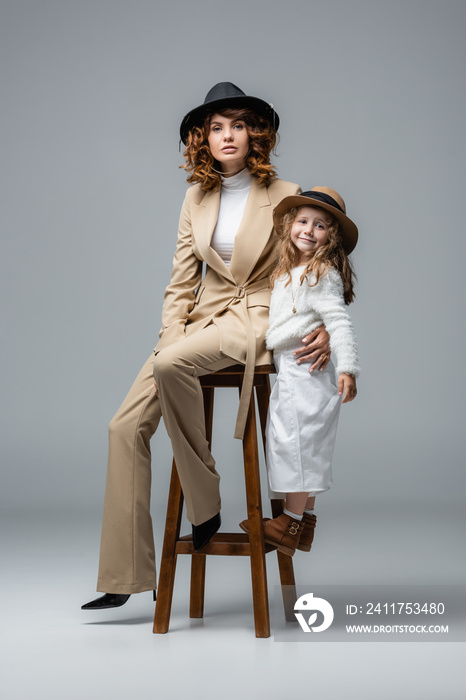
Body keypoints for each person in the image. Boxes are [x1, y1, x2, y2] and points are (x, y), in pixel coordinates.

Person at [82, 84, 332, 611]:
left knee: (173, 365)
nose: (227, 135)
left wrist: (325, 324)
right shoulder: (196, 197)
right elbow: (180, 282)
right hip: (199, 324)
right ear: (203, 139)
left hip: (257, 318)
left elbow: (315, 266)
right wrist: (170, 333)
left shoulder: (287, 194)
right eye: (216, 127)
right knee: (123, 427)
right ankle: (125, 575)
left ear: (255, 134)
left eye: (237, 125)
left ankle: (205, 503)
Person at [240, 187, 360, 556]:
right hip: (291, 367)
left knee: (296, 444)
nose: (308, 230)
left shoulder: (319, 273)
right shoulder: (289, 270)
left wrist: (348, 368)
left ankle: (289, 522)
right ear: (291, 225)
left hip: (305, 369)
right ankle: (302, 527)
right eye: (303, 221)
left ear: (331, 236)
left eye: (320, 225)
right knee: (296, 442)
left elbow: (338, 321)